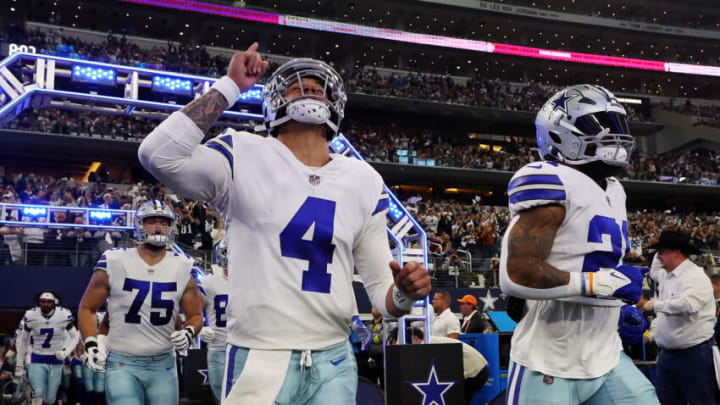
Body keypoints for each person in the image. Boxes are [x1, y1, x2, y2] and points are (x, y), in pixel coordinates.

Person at [138, 43, 431, 404]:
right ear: (275, 102)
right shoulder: (242, 152)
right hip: (259, 355)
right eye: (297, 87)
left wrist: (404, 292)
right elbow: (158, 154)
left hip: (334, 359)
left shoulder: (363, 178)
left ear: (334, 104)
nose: (308, 90)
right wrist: (230, 86)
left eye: (317, 87)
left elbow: (384, 300)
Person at [498, 84, 658, 404]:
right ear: (560, 134)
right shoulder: (553, 180)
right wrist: (600, 286)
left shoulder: (616, 190)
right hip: (548, 362)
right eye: (601, 124)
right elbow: (516, 273)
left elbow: (591, 262)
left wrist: (615, 308)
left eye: (618, 124)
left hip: (606, 355)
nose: (616, 134)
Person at [77, 200, 204, 405]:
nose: (157, 226)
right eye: (151, 221)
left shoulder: (183, 265)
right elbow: (88, 307)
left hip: (164, 363)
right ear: (139, 225)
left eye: (163, 222)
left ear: (171, 227)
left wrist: (189, 332)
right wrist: (91, 343)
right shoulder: (114, 260)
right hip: (122, 362)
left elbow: (196, 316)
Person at [642, 230, 717, 405]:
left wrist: (655, 305)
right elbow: (654, 272)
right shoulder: (666, 274)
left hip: (693, 354)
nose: (658, 255)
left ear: (676, 252)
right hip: (667, 354)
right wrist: (659, 243)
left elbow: (689, 305)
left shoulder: (695, 276)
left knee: (701, 401)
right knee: (666, 401)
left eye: (661, 251)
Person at [15, 292, 79, 405]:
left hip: (55, 359)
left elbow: (75, 337)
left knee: (50, 400)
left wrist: (66, 352)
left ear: (54, 303)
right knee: (38, 393)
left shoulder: (63, 314)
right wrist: (19, 364)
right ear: (39, 303)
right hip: (36, 358)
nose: (46, 304)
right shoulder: (31, 315)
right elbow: (23, 340)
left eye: (49, 302)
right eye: (43, 301)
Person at [196, 238, 230, 401]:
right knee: (222, 398)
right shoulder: (208, 282)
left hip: (246, 347)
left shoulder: (253, 282)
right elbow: (192, 311)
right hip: (219, 348)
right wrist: (200, 327)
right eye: (228, 252)